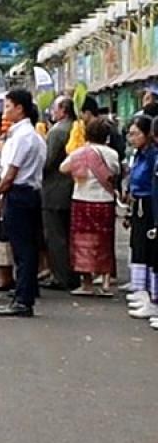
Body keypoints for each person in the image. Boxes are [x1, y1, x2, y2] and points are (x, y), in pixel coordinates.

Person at [0, 89, 47, 318]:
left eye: (8, 106)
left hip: (19, 193)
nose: (5, 112)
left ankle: (23, 300)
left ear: (19, 108)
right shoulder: (30, 135)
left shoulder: (23, 137)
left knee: (22, 249)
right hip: (30, 193)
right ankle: (26, 290)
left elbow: (11, 173)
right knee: (28, 247)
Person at [62, 117, 120, 296]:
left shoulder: (80, 153)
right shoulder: (112, 154)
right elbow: (116, 173)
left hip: (82, 200)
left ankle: (87, 283)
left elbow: (63, 168)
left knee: (82, 242)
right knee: (105, 241)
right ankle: (106, 282)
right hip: (105, 201)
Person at [40, 96, 77, 292]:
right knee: (68, 235)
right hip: (72, 188)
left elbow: (47, 161)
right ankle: (70, 274)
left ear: (63, 110)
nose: (52, 112)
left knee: (56, 237)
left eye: (55, 108)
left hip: (55, 189)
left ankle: (61, 276)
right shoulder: (77, 127)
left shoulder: (57, 132)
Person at [124, 117, 158, 322]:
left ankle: (151, 297)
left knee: (149, 249)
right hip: (139, 203)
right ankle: (141, 291)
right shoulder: (140, 155)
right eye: (130, 133)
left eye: (136, 133)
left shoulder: (153, 155)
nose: (132, 138)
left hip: (149, 203)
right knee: (139, 247)